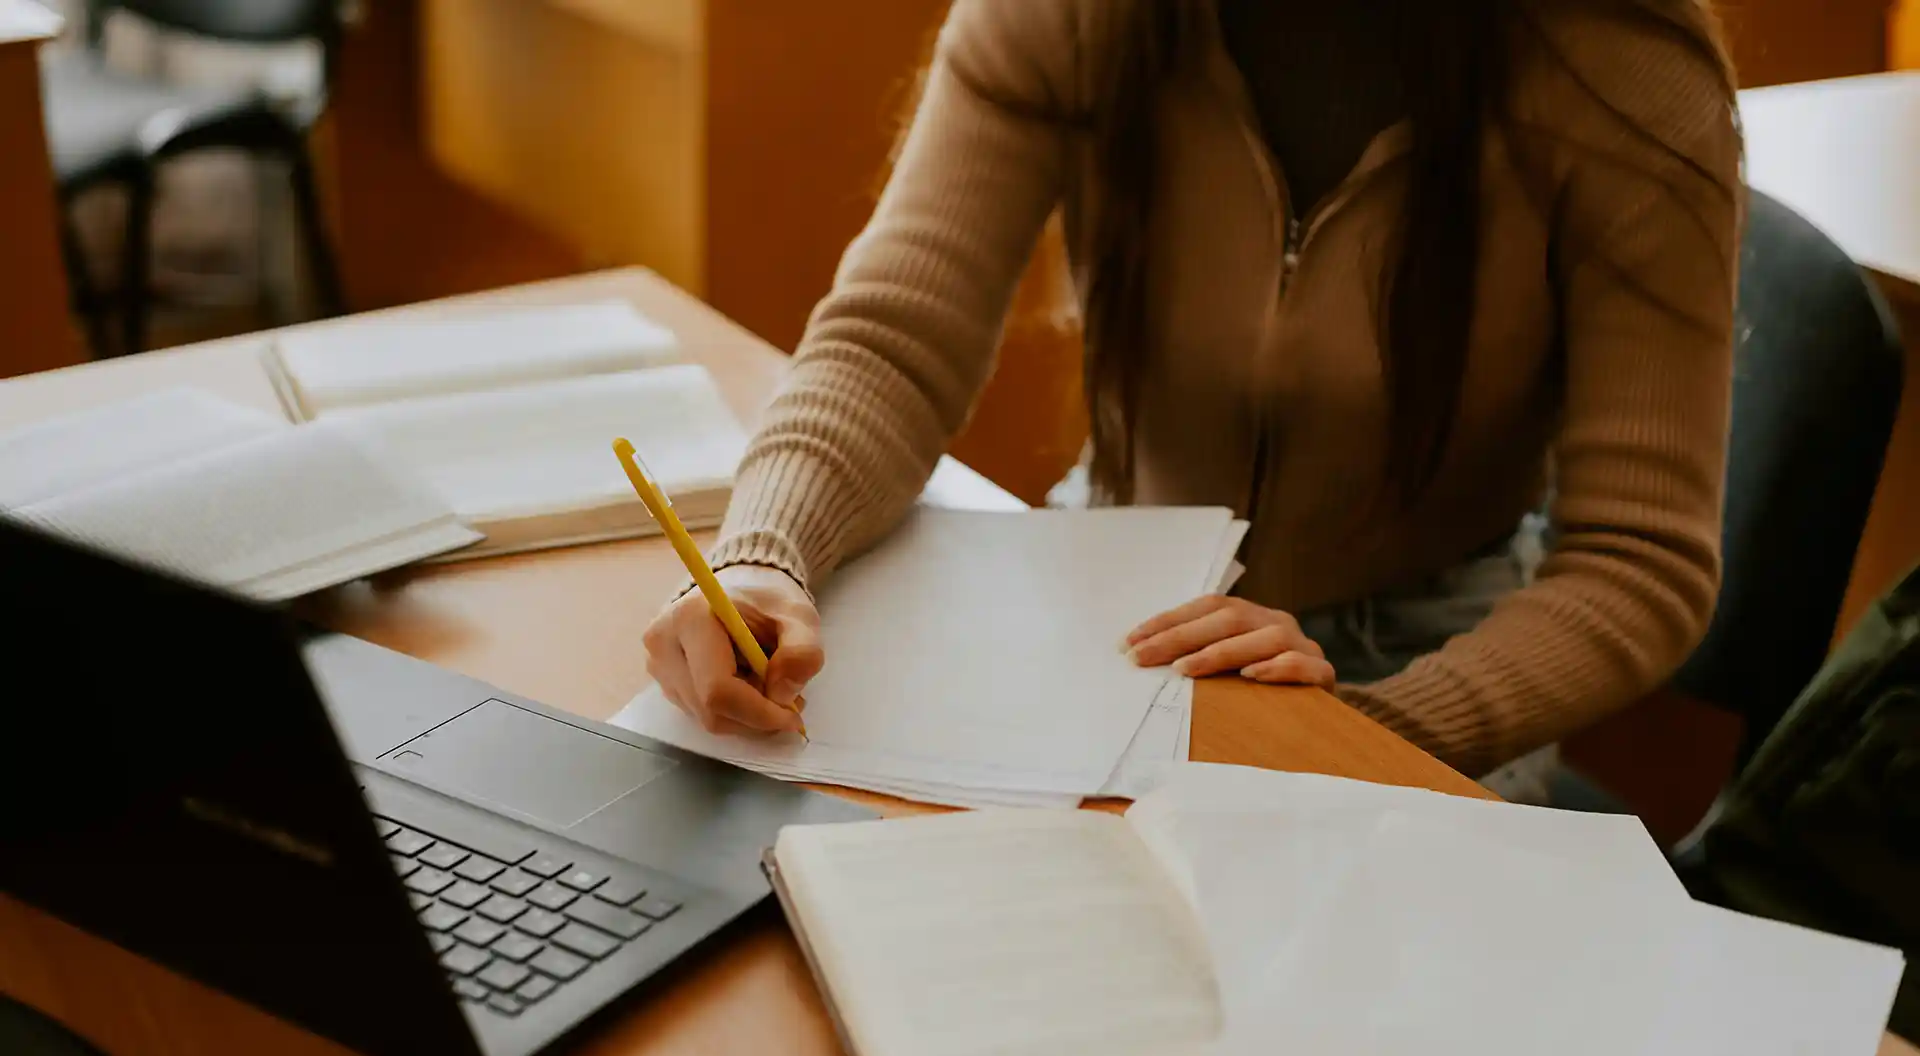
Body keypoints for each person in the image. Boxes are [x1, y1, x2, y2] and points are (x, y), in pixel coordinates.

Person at [643, 0, 1743, 782]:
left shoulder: (1622, 62)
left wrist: (1363, 736)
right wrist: (761, 555)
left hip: (1431, 656)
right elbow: (892, 343)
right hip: (1122, 587)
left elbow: (1640, 560)